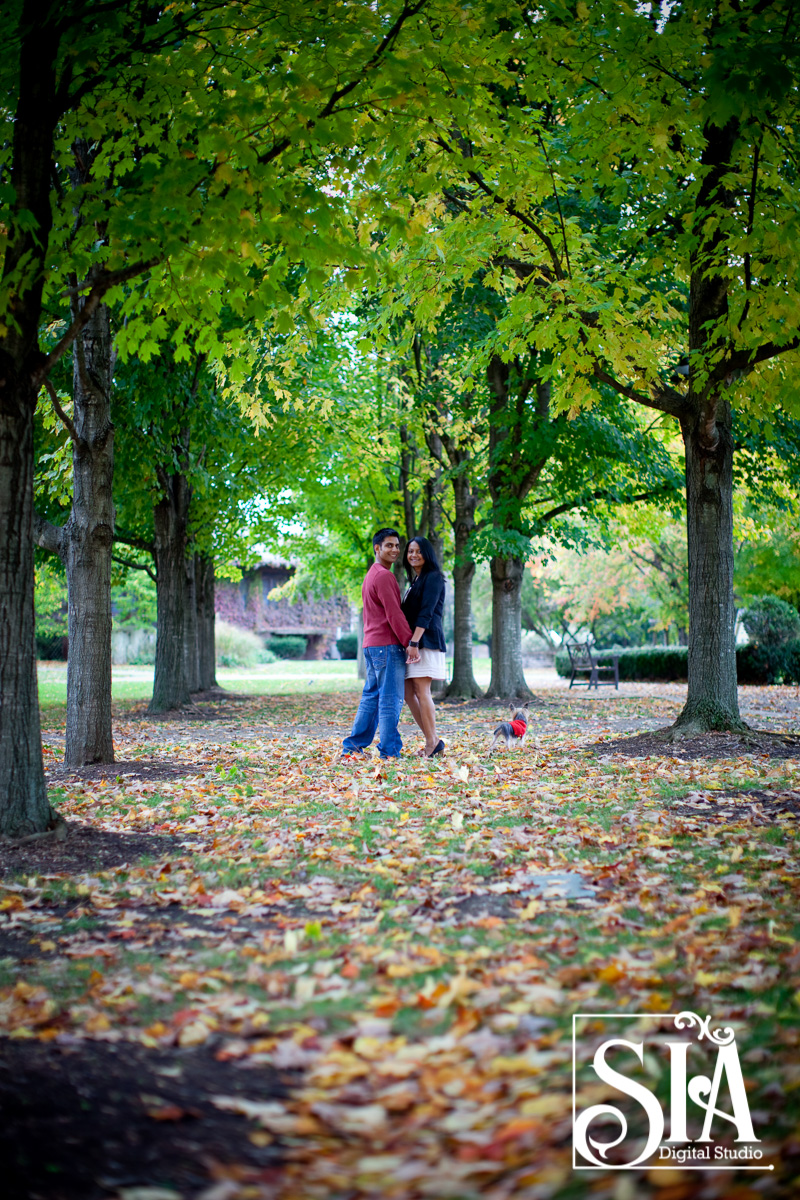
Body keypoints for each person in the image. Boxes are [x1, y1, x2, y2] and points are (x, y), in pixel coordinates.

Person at [341, 528, 418, 759]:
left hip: (372, 645)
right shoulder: (384, 576)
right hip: (386, 645)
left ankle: (353, 746)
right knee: (390, 699)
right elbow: (394, 614)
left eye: (397, 545)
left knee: (372, 696)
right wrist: (409, 642)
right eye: (389, 545)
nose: (394, 549)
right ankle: (390, 750)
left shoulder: (372, 574)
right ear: (377, 548)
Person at [401, 536, 446, 758]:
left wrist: (414, 642)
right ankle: (433, 740)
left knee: (421, 690)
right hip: (414, 643)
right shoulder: (416, 582)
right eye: (410, 551)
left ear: (427, 553)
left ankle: (431, 742)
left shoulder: (434, 578)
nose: (413, 555)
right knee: (409, 693)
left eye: (418, 551)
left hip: (424, 642)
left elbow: (427, 612)